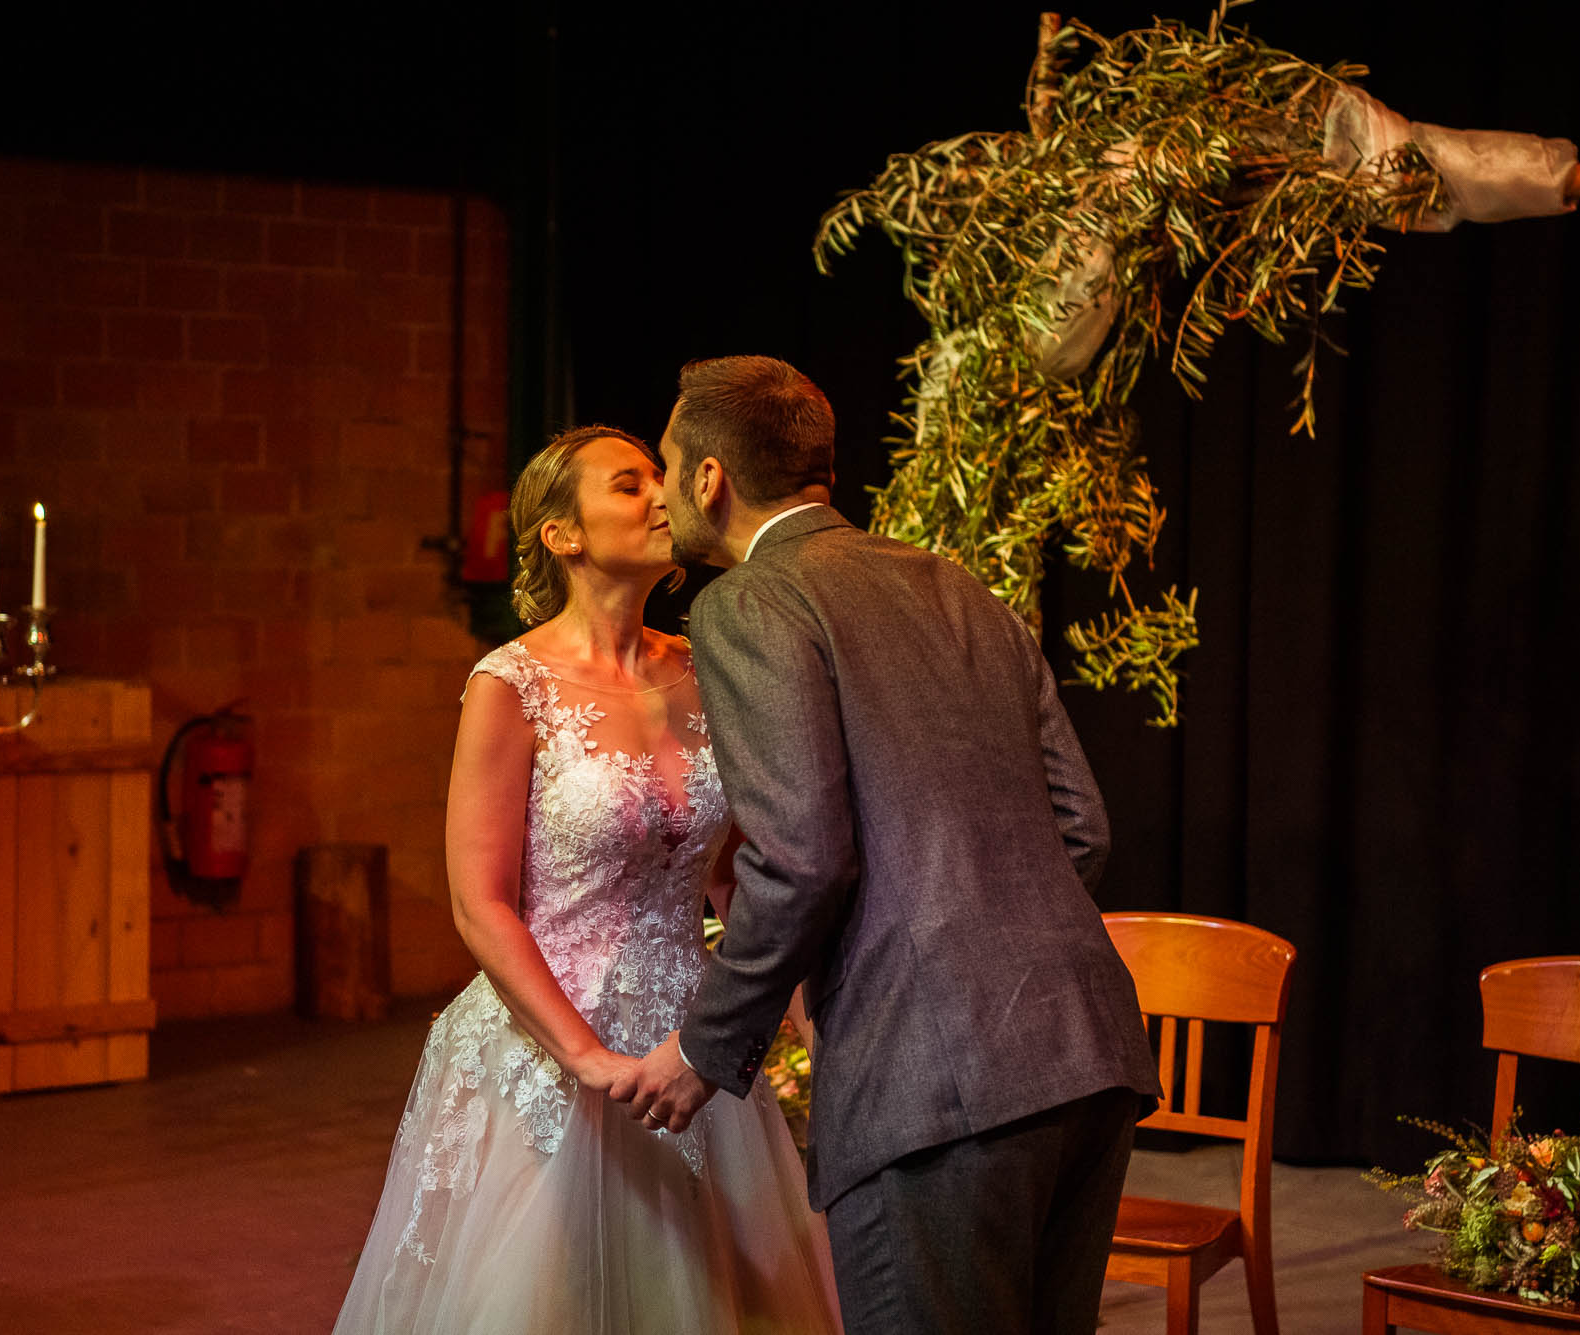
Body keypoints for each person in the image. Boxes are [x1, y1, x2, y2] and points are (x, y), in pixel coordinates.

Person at [610, 357, 1163, 1335]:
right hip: (1084, 1054)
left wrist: (706, 1047)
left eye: (665, 459)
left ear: (708, 476)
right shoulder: (955, 586)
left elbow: (801, 856)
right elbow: (1081, 826)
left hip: (932, 1087)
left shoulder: (750, 603)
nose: (659, 488)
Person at [331, 424, 842, 1334]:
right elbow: (478, 902)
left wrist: (818, 1023)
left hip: (689, 1046)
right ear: (562, 536)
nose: (660, 495)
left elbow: (739, 879)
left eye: (661, 477)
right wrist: (587, 1058)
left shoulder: (706, 666)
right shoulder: (511, 683)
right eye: (628, 484)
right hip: (548, 1048)